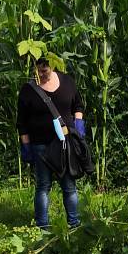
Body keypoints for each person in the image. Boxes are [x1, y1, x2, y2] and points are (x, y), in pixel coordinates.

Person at [17, 58, 85, 229]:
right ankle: (42, 227)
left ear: (53, 66)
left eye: (44, 71)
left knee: (69, 186)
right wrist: (26, 145)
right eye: (37, 71)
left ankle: (74, 224)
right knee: (43, 186)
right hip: (40, 145)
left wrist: (78, 126)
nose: (40, 74)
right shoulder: (28, 89)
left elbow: (78, 105)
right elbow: (22, 121)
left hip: (64, 144)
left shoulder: (67, 82)